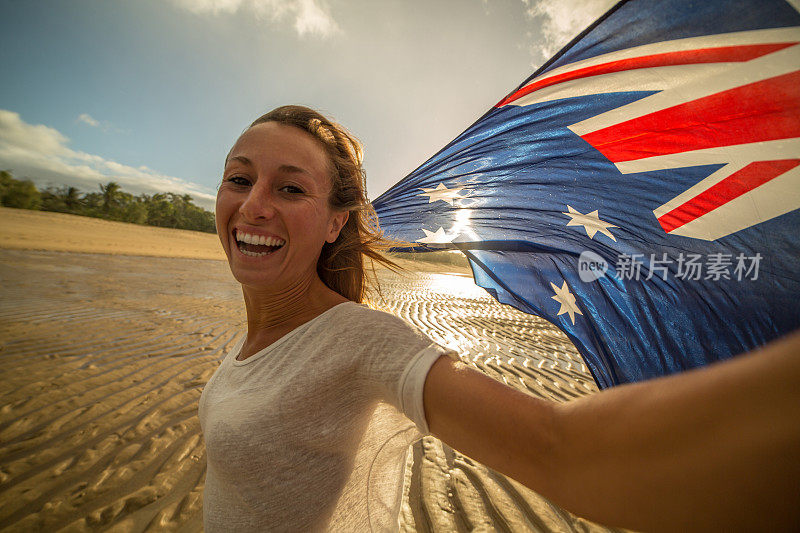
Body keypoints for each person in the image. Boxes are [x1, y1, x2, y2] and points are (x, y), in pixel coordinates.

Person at [199, 105, 800, 532]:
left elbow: (558, 450)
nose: (254, 205)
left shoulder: (357, 338)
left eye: (291, 189)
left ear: (336, 223)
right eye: (240, 179)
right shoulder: (249, 344)